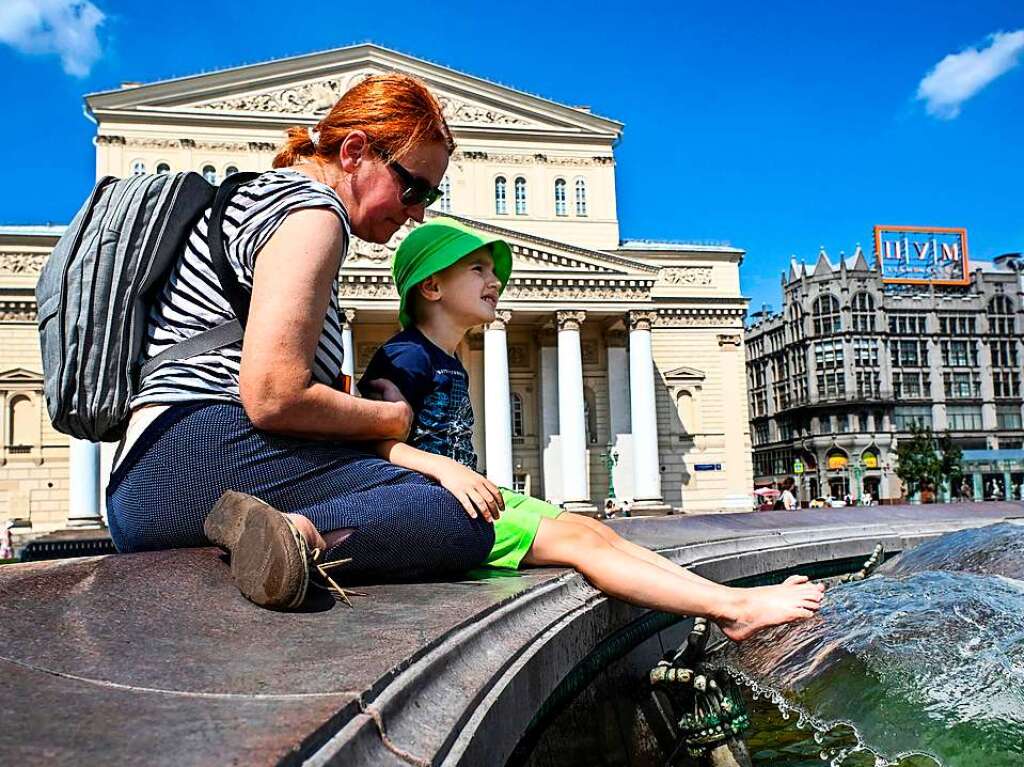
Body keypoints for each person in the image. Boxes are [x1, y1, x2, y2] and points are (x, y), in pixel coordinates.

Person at [106, 74, 497, 609]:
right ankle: (291, 535)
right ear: (355, 152)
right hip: (201, 453)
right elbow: (275, 397)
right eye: (414, 188)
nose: (418, 212)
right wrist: (392, 418)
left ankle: (264, 536)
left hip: (149, 478)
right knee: (454, 516)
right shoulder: (311, 212)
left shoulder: (258, 196)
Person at [357, 219, 824, 641]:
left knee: (594, 529)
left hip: (465, 496)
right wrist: (446, 471)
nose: (496, 280)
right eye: (478, 269)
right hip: (434, 507)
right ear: (432, 286)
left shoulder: (445, 354)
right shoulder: (405, 356)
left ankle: (725, 597)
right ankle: (733, 609)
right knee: (580, 544)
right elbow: (373, 438)